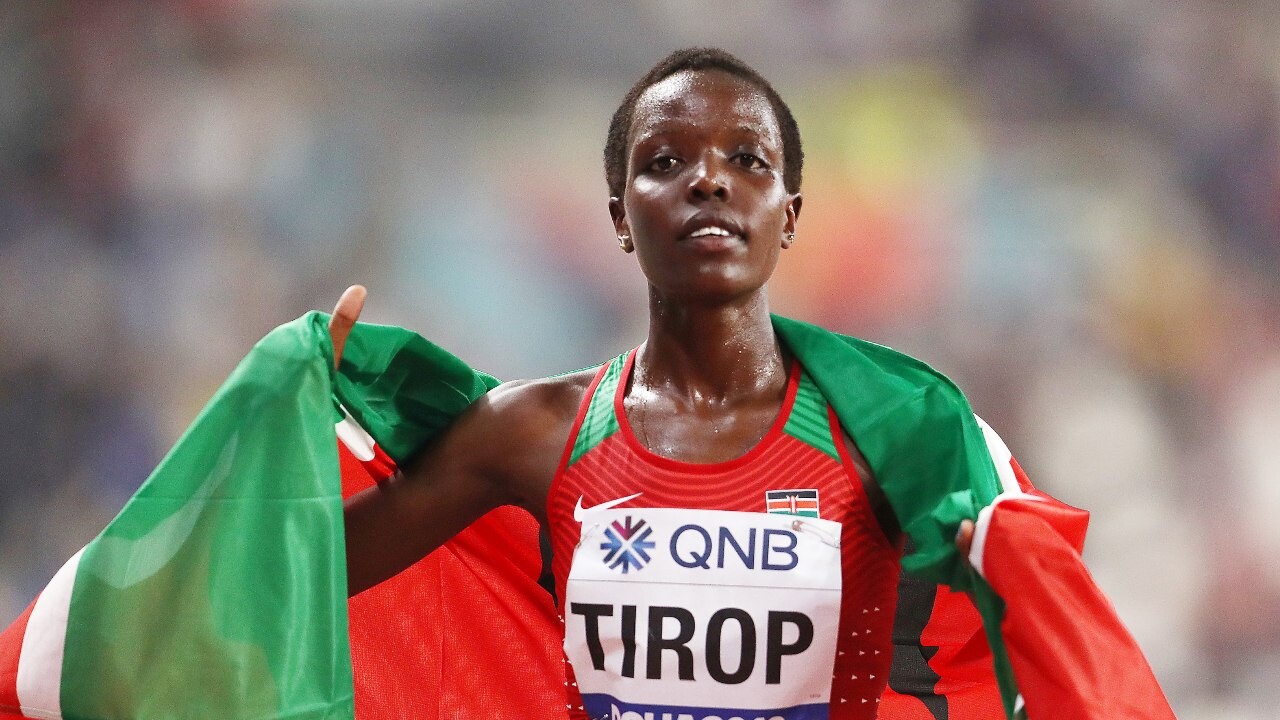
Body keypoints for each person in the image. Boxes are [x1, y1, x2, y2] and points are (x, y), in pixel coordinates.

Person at [333, 48, 1169, 720]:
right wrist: (285, 405)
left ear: (789, 214)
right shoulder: (536, 432)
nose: (709, 180)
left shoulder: (891, 433)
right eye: (666, 160)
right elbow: (301, 573)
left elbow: (1040, 622)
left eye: (747, 159)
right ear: (621, 217)